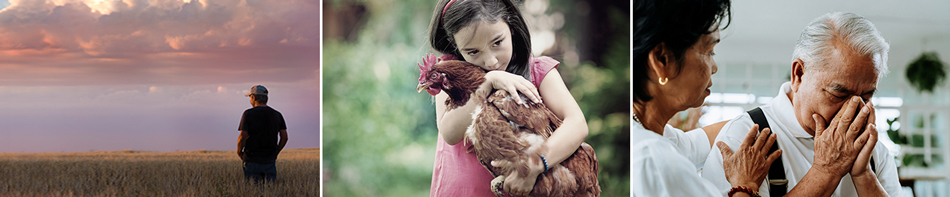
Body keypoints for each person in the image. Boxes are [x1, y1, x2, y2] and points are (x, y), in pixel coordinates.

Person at [701, 12, 901, 196]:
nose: (853, 111)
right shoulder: (743, 141)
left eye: (865, 97)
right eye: (839, 93)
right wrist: (826, 171)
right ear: (798, 73)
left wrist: (864, 175)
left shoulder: (875, 153)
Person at [426, 0, 589, 196]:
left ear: (511, 27)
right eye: (473, 52)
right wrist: (488, 81)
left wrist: (534, 164)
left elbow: (577, 124)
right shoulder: (449, 74)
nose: (491, 61)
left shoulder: (537, 71)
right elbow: (449, 133)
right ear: (455, 45)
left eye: (497, 42)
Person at [632, 0, 782, 196]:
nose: (714, 67)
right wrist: (745, 185)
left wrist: (772, 115)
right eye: (709, 51)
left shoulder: (651, 133)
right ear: (663, 60)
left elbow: (697, 142)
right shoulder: (653, 161)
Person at [237, 85, 289, 183]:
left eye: (250, 98)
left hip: (251, 159)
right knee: (269, 190)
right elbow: (284, 137)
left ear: (254, 98)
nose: (250, 100)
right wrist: (276, 151)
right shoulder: (277, 115)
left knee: (252, 191)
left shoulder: (248, 114)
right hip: (269, 159)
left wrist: (239, 151)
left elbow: (242, 137)